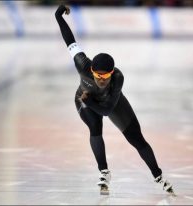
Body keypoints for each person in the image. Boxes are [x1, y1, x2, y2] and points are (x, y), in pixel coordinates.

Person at [55, 5, 174, 195]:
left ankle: (158, 175)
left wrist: (91, 101)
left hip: (107, 103)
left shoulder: (118, 79)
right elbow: (69, 40)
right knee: (95, 127)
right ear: (91, 71)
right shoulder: (82, 65)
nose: (101, 80)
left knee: (135, 137)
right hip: (84, 100)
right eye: (97, 76)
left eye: (105, 77)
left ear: (113, 73)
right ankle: (104, 172)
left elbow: (106, 111)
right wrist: (58, 16)